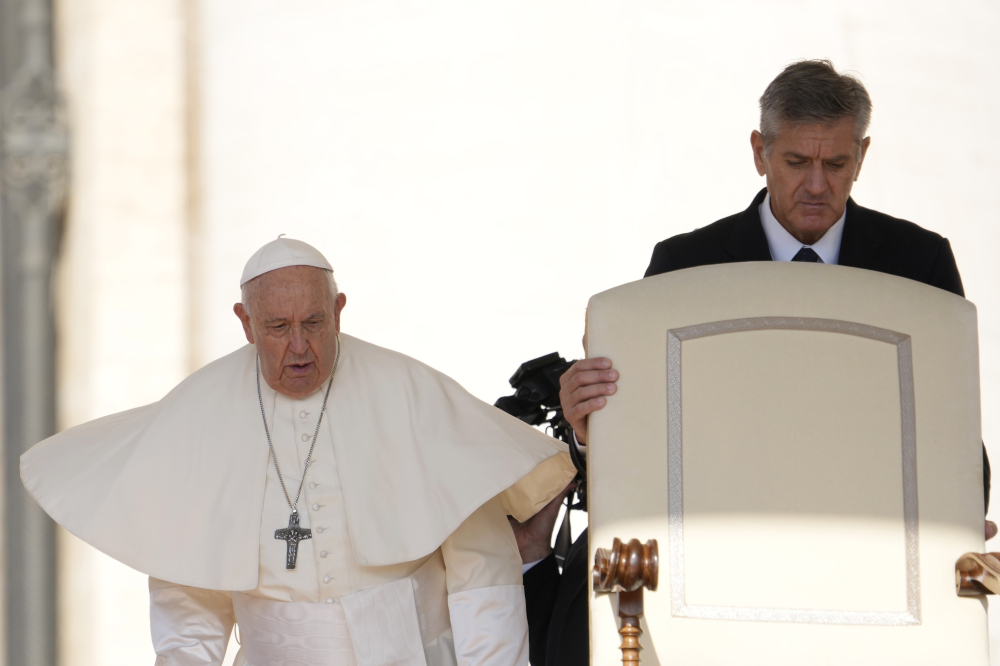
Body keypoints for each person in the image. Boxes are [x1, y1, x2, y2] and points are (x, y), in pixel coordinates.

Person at [516, 59, 994, 666]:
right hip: (715, 560)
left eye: (837, 164)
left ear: (863, 156)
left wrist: (960, 504)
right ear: (759, 152)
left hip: (863, 563)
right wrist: (591, 430)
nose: (817, 184)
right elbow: (646, 439)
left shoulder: (918, 262)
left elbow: (947, 420)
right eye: (797, 162)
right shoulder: (685, 263)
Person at [21, 237, 577, 666]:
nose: (298, 346)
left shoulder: (410, 392)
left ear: (338, 310)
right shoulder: (197, 413)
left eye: (313, 322)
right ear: (245, 324)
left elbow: (482, 575)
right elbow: (189, 596)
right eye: (277, 326)